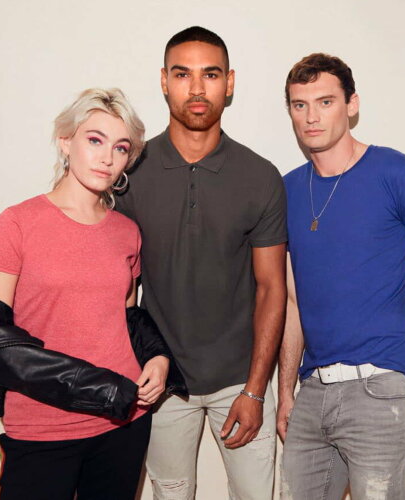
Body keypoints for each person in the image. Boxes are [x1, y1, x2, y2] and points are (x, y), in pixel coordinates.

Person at [0, 88, 171, 500]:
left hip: (124, 422)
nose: (107, 158)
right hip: (42, 426)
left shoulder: (126, 231)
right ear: (65, 141)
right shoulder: (17, 223)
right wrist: (99, 388)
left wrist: (158, 357)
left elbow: (128, 317)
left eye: (120, 147)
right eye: (94, 140)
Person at [278, 53, 405, 499]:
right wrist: (285, 393)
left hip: (383, 390)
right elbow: (293, 301)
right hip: (312, 392)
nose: (311, 116)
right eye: (300, 105)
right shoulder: (286, 189)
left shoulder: (397, 173)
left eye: (325, 102)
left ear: (352, 104)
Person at [116, 26, 287, 500]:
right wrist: (133, 368)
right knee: (170, 493)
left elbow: (272, 288)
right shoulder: (129, 172)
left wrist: (255, 389)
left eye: (210, 75)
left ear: (229, 83)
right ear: (164, 81)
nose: (196, 88)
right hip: (161, 379)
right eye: (182, 74)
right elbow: (119, 288)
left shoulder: (260, 177)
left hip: (240, 378)